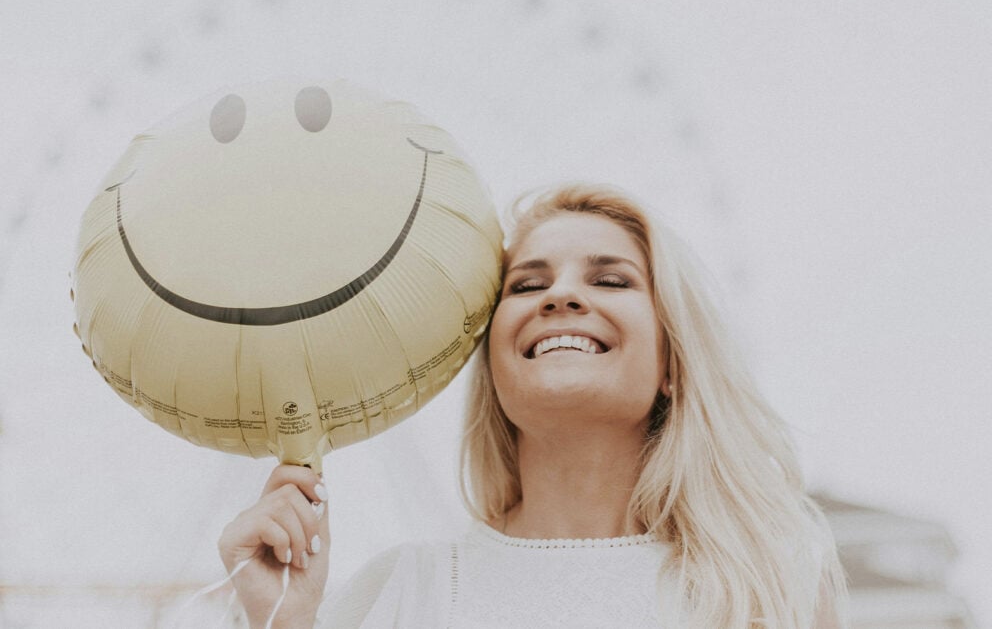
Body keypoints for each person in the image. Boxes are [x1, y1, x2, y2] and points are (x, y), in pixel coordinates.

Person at [218, 184, 847, 628]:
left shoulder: (762, 594)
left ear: (674, 366)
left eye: (610, 280)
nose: (563, 295)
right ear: (492, 364)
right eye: (528, 285)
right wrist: (286, 622)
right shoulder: (403, 592)